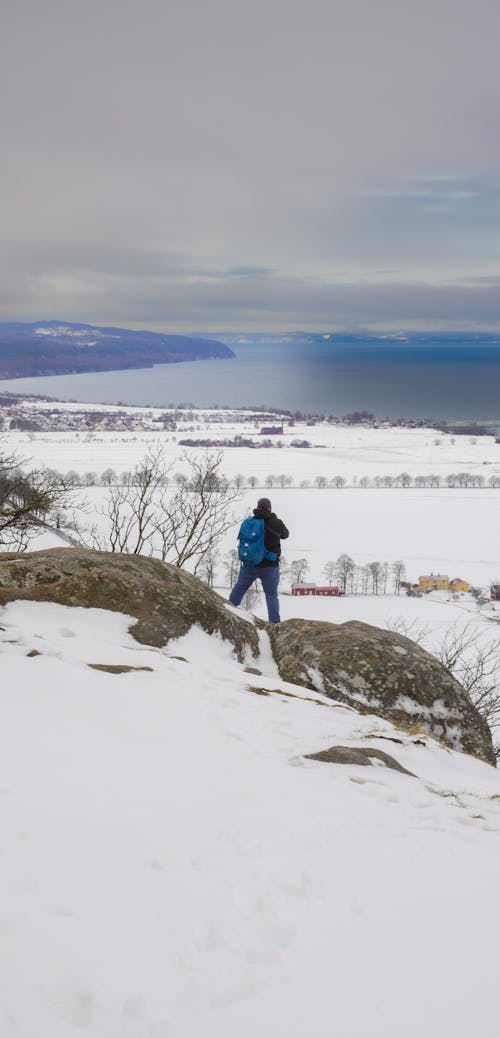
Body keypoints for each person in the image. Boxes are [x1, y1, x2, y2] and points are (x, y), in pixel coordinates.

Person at [229, 498, 289, 623]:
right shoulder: (275, 522)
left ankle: (227, 611)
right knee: (271, 596)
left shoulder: (249, 522)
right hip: (269, 566)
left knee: (239, 588)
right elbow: (285, 534)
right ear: (270, 508)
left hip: (249, 564)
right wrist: (274, 519)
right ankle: (274, 624)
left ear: (258, 507)